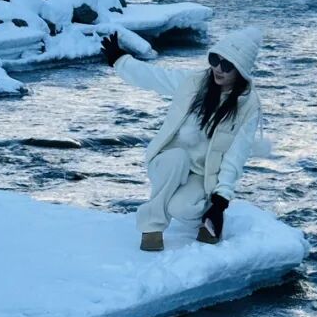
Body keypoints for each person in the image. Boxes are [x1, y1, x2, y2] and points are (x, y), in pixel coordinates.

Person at [100, 25, 263, 253]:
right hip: (167, 161)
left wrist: (220, 202)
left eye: (227, 66)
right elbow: (155, 77)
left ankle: (208, 217)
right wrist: (121, 60)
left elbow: (236, 155)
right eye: (215, 59)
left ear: (241, 71)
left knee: (182, 208)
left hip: (201, 174)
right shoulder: (194, 82)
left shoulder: (247, 106)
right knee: (177, 158)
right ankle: (151, 228)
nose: (218, 68)